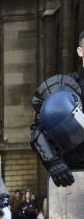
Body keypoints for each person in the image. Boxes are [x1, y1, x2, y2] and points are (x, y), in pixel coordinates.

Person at [30, 30, 84, 187]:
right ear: (80, 51)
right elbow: (38, 131)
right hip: (77, 176)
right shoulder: (62, 87)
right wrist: (53, 161)